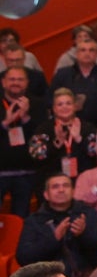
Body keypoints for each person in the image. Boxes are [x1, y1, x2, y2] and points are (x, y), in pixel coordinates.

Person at [16, 174, 97, 277]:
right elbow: (23, 257)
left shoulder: (87, 213)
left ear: (73, 191)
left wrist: (84, 233)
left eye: (66, 186)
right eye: (55, 187)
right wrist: (53, 239)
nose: (61, 190)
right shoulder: (34, 221)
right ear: (46, 195)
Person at [1, 65, 46, 217]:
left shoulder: (38, 104)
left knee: (21, 218)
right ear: (3, 82)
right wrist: (6, 123)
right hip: (0, 172)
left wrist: (26, 118)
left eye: (20, 79)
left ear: (27, 83)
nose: (16, 83)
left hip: (27, 172)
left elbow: (42, 137)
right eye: (12, 79)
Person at [30, 88, 97, 186]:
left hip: (83, 182)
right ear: (54, 108)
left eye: (68, 103)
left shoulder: (87, 127)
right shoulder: (44, 128)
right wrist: (57, 142)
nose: (64, 107)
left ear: (75, 106)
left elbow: (96, 153)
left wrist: (79, 139)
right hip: (52, 182)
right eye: (60, 104)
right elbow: (36, 155)